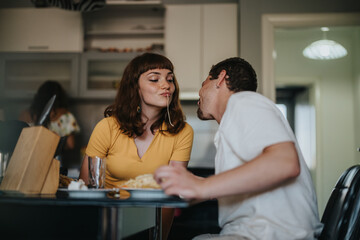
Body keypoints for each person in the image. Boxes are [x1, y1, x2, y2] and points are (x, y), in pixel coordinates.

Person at [154, 57, 323, 240]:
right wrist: (191, 189)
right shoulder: (235, 118)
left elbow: (285, 162)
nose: (200, 93)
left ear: (220, 78)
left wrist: (203, 186)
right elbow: (253, 180)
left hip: (269, 234)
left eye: (203, 84)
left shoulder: (243, 102)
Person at [79, 52, 194, 239]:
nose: (166, 85)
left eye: (170, 79)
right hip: (107, 223)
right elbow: (87, 187)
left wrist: (159, 237)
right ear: (135, 87)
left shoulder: (182, 131)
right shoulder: (107, 127)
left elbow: (169, 196)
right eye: (154, 79)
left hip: (151, 225)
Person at [19, 81, 81, 174]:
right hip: (54, 167)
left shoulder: (26, 114)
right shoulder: (64, 115)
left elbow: (19, 141)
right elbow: (71, 145)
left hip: (27, 166)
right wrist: (56, 140)